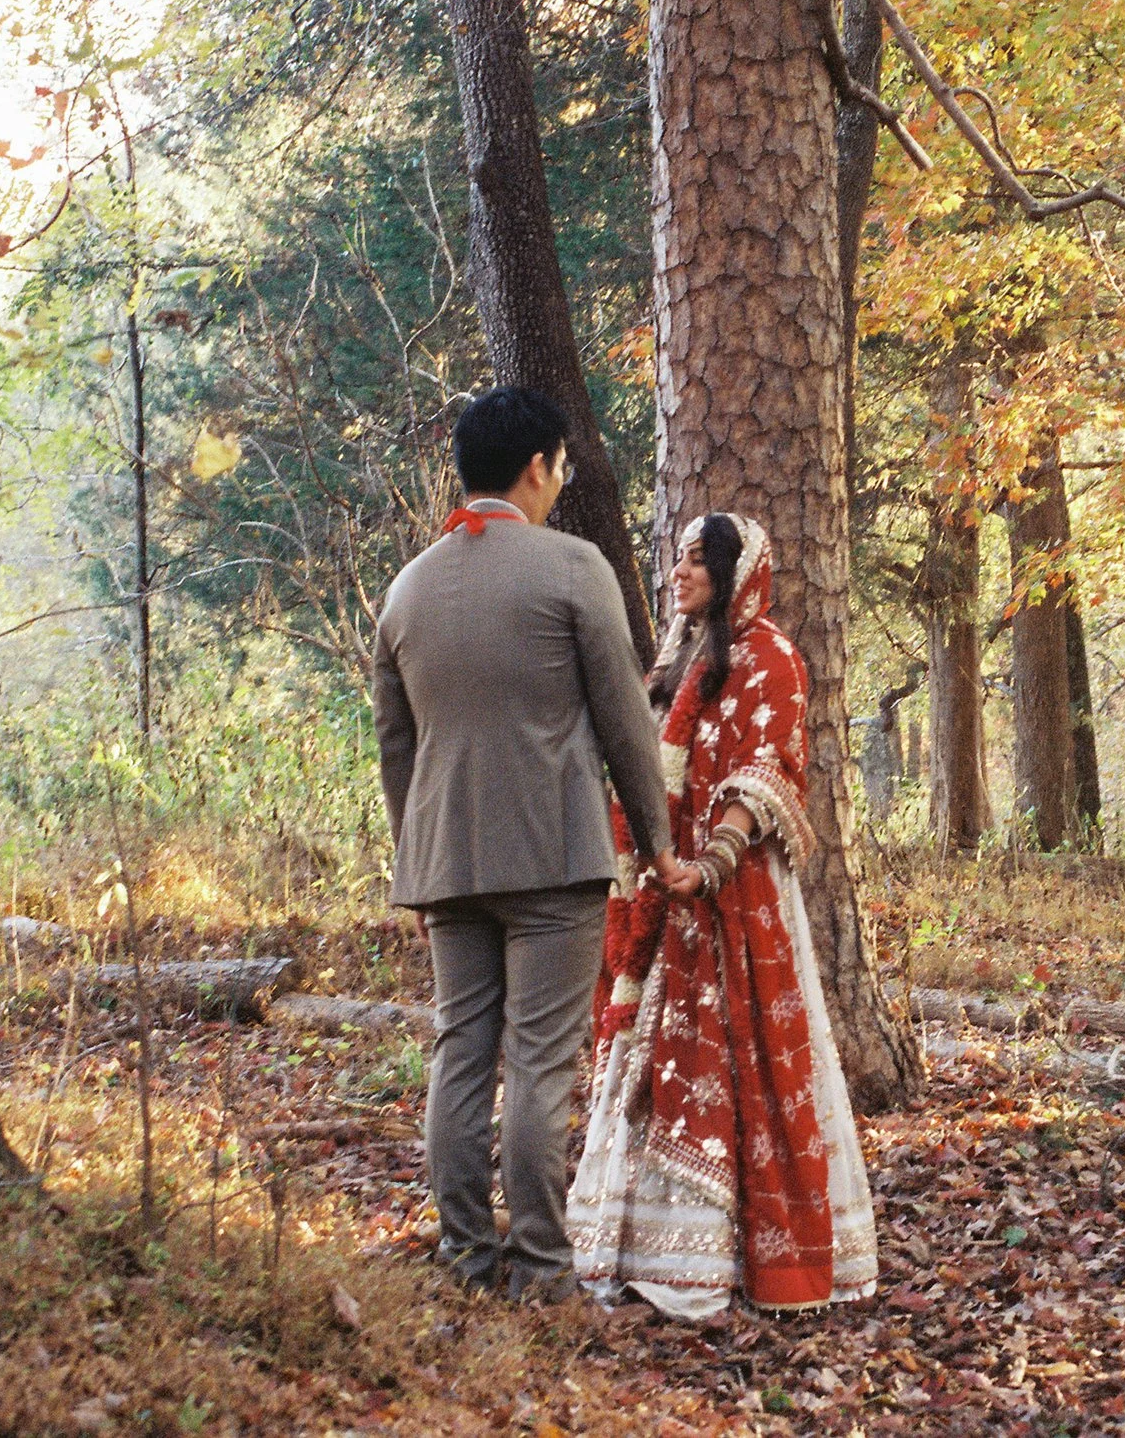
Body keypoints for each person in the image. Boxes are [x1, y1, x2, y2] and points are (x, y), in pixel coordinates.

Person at [370, 386, 689, 1300]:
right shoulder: (573, 568)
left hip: (444, 863)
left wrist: (416, 855)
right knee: (543, 1059)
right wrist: (659, 843)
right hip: (553, 854)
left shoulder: (409, 588)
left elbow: (399, 747)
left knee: (460, 1051)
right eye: (561, 466)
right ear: (539, 466)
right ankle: (544, 1270)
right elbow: (627, 723)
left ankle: (468, 1257)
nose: (561, 481)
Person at [567, 513, 878, 1319]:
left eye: (699, 562)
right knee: (656, 1067)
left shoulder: (771, 659)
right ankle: (654, 1251)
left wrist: (712, 863)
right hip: (665, 904)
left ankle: (735, 1259)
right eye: (677, 561)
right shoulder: (673, 665)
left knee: (752, 1062)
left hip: (738, 901)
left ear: (740, 575)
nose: (680, 575)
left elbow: (765, 770)